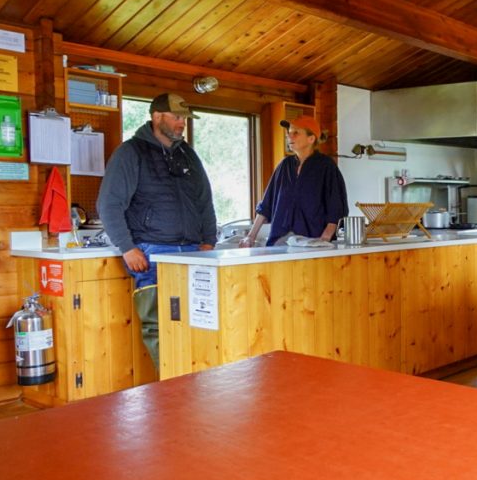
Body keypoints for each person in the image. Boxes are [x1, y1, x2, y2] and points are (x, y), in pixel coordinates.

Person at [97, 93, 217, 372]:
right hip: (152, 253)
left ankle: (195, 390)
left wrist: (209, 241)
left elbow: (205, 201)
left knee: (200, 323)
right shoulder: (131, 152)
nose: (181, 124)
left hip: (193, 253)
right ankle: (172, 390)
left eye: (184, 119)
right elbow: (109, 204)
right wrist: (127, 247)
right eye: (176, 117)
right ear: (157, 117)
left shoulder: (189, 154)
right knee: (158, 326)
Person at [241, 115, 348, 247]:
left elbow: (336, 209)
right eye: (289, 133)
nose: (289, 136)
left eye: (295, 133)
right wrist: (250, 237)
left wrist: (323, 240)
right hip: (279, 242)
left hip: (312, 244)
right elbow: (266, 206)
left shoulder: (326, 166)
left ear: (311, 138)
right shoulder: (284, 166)